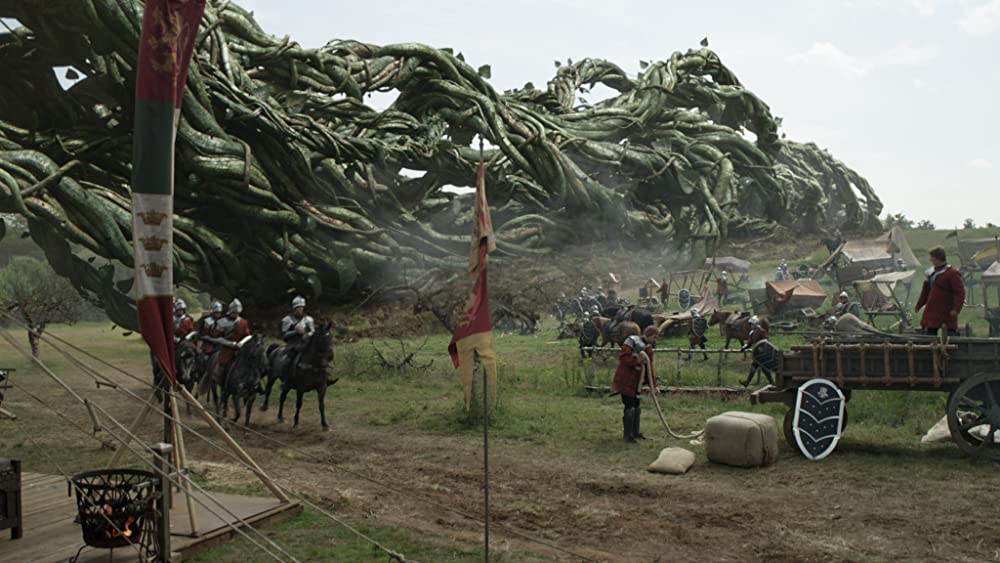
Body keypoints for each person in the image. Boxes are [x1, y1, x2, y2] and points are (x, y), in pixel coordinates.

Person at [610, 325, 659, 443]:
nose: (655, 340)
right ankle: (627, 436)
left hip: (637, 383)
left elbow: (649, 368)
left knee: (636, 407)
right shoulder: (631, 341)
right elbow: (623, 358)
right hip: (626, 380)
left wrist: (653, 385)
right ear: (648, 335)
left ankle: (635, 433)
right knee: (630, 408)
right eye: (654, 337)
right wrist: (637, 361)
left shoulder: (647, 348)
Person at [915, 247, 965, 336]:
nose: (930, 259)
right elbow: (926, 291)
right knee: (930, 332)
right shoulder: (931, 273)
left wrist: (956, 308)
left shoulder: (952, 273)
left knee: (951, 333)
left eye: (932, 257)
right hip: (933, 308)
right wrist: (919, 305)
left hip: (947, 308)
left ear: (937, 258)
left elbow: (959, 293)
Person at [216, 298, 251, 376]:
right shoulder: (222, 322)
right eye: (234, 313)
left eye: (237, 313)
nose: (235, 314)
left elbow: (248, 336)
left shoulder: (243, 322)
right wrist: (231, 344)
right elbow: (218, 338)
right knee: (223, 366)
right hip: (227, 349)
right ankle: (222, 381)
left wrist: (241, 343)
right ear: (230, 312)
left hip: (241, 349)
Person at [740, 316, 774, 387]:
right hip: (757, 354)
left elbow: (765, 341)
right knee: (758, 369)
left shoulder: (762, 331)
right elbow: (749, 343)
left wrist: (762, 348)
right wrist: (744, 347)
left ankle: (773, 383)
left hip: (762, 354)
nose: (751, 326)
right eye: (750, 324)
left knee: (762, 370)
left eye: (752, 324)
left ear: (755, 324)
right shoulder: (752, 333)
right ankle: (747, 382)